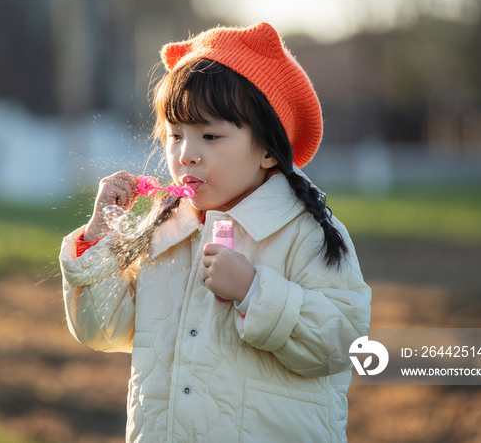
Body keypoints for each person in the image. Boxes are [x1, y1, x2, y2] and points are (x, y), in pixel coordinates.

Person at [59, 22, 371, 442]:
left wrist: (253, 290)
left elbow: (340, 341)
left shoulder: (306, 232)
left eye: (210, 135)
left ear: (266, 149)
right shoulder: (168, 230)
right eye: (175, 135)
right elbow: (103, 331)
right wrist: (100, 236)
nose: (186, 155)